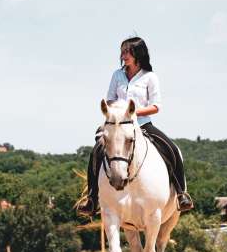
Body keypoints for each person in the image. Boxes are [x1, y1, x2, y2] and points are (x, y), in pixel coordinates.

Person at [81, 37, 193, 216]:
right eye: (122, 51)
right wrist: (118, 111)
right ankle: (92, 198)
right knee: (96, 152)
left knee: (171, 148)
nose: (123, 55)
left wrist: (133, 113)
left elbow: (156, 106)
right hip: (117, 125)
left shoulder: (150, 77)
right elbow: (109, 99)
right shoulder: (117, 75)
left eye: (127, 52)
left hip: (142, 124)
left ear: (138, 54)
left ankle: (181, 194)